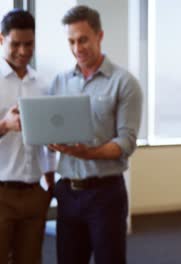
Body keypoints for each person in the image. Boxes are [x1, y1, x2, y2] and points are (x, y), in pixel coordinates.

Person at [48, 5, 142, 264]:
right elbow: (49, 128)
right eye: (71, 41)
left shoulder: (124, 83)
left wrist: (86, 153)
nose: (77, 47)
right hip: (67, 191)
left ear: (99, 36)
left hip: (105, 195)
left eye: (83, 39)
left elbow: (126, 142)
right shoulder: (60, 82)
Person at [0, 9, 55, 264]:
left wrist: (50, 183)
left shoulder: (43, 84)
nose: (23, 51)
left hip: (35, 192)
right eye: (16, 44)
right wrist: (4, 125)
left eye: (29, 44)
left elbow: (48, 138)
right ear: (1, 40)